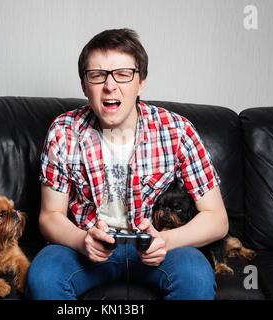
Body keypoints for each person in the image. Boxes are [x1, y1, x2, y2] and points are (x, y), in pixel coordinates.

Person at [26, 28, 229, 300]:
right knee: (43, 277)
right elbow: (50, 216)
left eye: (123, 74)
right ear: (84, 85)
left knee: (195, 277)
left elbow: (216, 219)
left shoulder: (177, 130)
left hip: (159, 249)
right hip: (86, 247)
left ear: (141, 82)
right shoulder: (63, 132)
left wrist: (166, 241)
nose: (110, 86)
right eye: (97, 76)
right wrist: (81, 241)